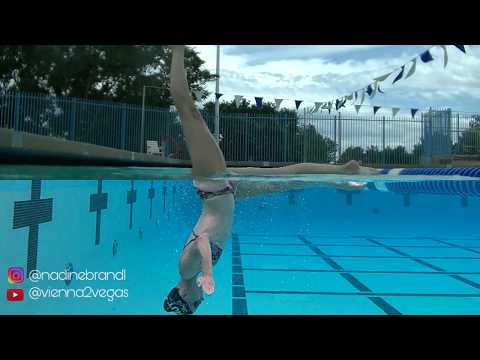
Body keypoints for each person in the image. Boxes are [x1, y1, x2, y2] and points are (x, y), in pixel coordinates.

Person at [163, 45, 380, 315]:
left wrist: (207, 273)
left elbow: (203, 241)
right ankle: (340, 173)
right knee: (288, 177)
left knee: (188, 112)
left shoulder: (186, 270)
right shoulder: (187, 272)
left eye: (194, 302)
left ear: (183, 294)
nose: (199, 300)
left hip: (213, 186)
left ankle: (177, 51)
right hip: (225, 193)